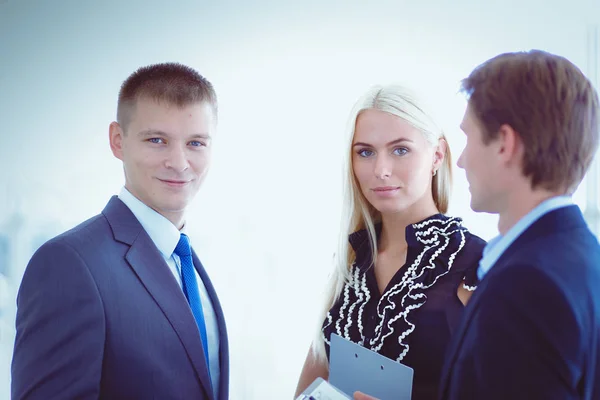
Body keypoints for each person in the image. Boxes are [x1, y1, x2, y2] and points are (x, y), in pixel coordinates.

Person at [11, 63, 229, 400]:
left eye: (196, 143)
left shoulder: (191, 261)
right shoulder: (69, 265)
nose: (180, 162)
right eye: (157, 140)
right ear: (117, 141)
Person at [295, 84, 486, 400]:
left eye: (400, 150)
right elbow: (306, 391)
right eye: (365, 152)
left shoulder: (477, 263)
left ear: (437, 155)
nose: (380, 171)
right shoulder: (349, 263)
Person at [437, 50, 600, 399]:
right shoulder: (582, 253)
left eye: (469, 137)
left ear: (505, 145)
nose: (462, 161)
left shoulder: (526, 285)